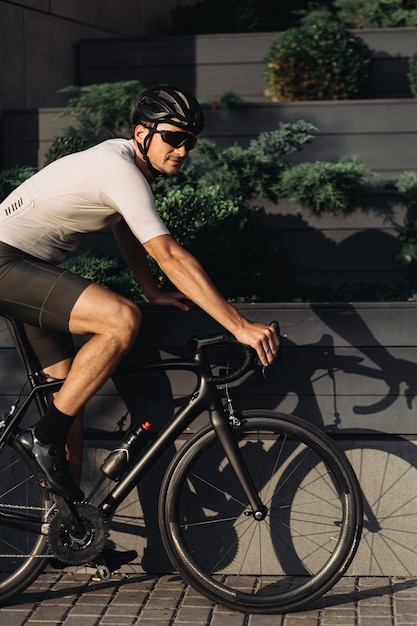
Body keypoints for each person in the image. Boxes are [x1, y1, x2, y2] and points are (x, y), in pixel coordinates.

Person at [0, 85, 279, 563]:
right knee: (120, 320)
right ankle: (44, 436)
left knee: (69, 402)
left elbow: (123, 225)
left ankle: (74, 535)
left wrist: (150, 289)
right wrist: (238, 324)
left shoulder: (122, 163)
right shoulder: (119, 169)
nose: (183, 150)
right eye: (173, 138)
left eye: (190, 141)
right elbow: (168, 252)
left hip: (27, 268)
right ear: (142, 133)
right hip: (9, 264)